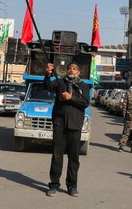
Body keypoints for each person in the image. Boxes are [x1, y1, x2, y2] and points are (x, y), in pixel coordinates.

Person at [43, 62, 90, 197]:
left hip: (75, 125)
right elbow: (47, 86)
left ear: (78, 72)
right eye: (69, 68)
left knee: (73, 157)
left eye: (74, 69)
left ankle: (72, 186)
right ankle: (54, 185)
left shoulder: (83, 86)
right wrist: (48, 74)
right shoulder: (60, 82)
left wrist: (71, 97)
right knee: (57, 156)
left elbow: (85, 102)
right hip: (59, 124)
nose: (71, 70)